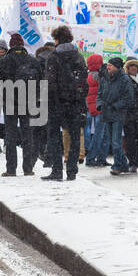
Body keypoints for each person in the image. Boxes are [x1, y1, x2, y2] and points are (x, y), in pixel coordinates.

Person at [42, 25, 87, 181]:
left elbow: (50, 82)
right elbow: (83, 82)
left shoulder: (53, 57)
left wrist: (50, 100)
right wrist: (79, 100)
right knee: (74, 136)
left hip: (56, 103)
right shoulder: (79, 57)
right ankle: (72, 170)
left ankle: (57, 170)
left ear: (57, 39)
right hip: (75, 103)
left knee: (54, 136)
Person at [0, 34, 41, 177]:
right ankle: (28, 168)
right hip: (27, 101)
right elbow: (40, 80)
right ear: (22, 45)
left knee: (10, 136)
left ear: (10, 45)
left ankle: (11, 169)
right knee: (27, 135)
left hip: (10, 102)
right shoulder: (32, 61)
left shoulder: (5, 61)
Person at [98, 57, 135, 175]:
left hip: (117, 114)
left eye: (110, 65)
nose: (108, 67)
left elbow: (128, 97)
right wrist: (99, 104)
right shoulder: (104, 77)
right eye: (108, 65)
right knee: (112, 141)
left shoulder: (124, 79)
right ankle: (123, 164)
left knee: (116, 142)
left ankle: (118, 165)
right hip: (106, 112)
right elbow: (99, 93)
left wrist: (116, 106)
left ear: (117, 67)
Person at [83, 53, 106, 166]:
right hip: (100, 106)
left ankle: (90, 152)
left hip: (89, 105)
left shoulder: (87, 76)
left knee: (89, 131)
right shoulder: (101, 76)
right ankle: (93, 158)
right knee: (100, 134)